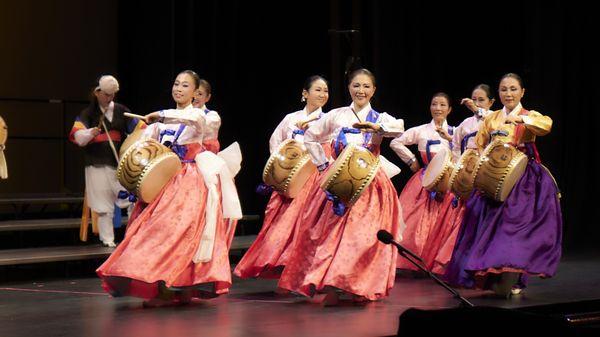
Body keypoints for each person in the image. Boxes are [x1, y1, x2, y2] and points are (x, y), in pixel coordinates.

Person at [97, 70, 242, 307]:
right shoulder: (157, 124)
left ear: (196, 92)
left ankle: (182, 286)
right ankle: (159, 285)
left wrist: (163, 115)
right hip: (164, 181)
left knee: (182, 234)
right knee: (155, 233)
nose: (179, 89)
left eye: (185, 86)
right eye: (176, 84)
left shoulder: (206, 116)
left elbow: (195, 121)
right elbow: (144, 148)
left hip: (190, 183)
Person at [277, 68, 404, 305]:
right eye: (356, 85)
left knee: (362, 237)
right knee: (328, 234)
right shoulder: (336, 115)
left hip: (369, 185)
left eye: (366, 86)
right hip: (336, 183)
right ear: (349, 88)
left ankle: (358, 285)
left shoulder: (380, 118)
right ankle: (332, 284)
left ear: (374, 90)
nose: (361, 90)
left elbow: (400, 128)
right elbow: (311, 137)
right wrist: (324, 165)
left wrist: (378, 130)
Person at [444, 73, 562, 297]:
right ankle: (494, 275)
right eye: (504, 89)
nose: (508, 93)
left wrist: (523, 121)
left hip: (522, 178)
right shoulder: (492, 118)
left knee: (513, 228)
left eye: (513, 89)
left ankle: (514, 275)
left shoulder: (529, 115)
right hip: (492, 175)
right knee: (486, 224)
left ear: (522, 92)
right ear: (498, 94)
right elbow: (479, 145)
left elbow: (546, 125)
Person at [234, 75, 330, 280]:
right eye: (318, 90)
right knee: (280, 222)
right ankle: (282, 264)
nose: (323, 94)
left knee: (307, 223)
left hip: (313, 177)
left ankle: (305, 270)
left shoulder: (328, 120)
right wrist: (282, 167)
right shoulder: (290, 118)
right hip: (289, 179)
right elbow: (275, 142)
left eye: (325, 91)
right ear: (305, 94)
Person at [390, 92, 464, 275]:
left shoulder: (455, 132)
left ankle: (438, 263)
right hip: (424, 181)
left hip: (448, 184)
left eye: (442, 105)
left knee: (446, 223)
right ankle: (416, 262)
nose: (438, 108)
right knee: (415, 223)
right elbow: (396, 142)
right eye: (434, 104)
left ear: (449, 109)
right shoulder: (421, 130)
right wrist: (411, 160)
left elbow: (465, 154)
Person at [69, 75, 145, 247]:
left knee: (131, 198)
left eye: (112, 95)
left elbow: (140, 128)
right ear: (97, 93)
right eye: (105, 94)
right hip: (96, 162)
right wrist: (89, 133)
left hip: (118, 162)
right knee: (104, 205)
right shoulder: (87, 114)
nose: (109, 98)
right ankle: (107, 239)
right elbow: (77, 135)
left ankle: (133, 237)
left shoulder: (121, 110)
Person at [451, 84, 495, 161]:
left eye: (481, 100)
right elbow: (456, 145)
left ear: (491, 102)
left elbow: (489, 122)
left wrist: (476, 110)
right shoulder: (465, 123)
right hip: (467, 165)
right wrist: (458, 164)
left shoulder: (495, 117)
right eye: (474, 100)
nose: (476, 104)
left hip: (489, 165)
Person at [192, 78, 220, 153]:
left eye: (200, 94)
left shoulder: (212, 116)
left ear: (207, 97)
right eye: (193, 92)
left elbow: (200, 124)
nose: (195, 97)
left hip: (204, 159)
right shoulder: (180, 113)